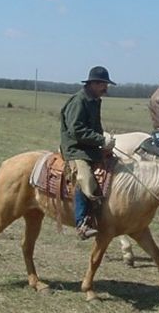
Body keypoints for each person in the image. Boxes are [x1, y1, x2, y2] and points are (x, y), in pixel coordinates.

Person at [60, 66, 117, 240]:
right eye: (103, 84)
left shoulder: (95, 100)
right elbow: (75, 130)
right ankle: (82, 223)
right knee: (85, 178)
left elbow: (95, 127)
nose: (106, 88)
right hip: (75, 148)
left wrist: (103, 140)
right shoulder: (79, 101)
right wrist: (101, 140)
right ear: (94, 83)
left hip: (90, 147)